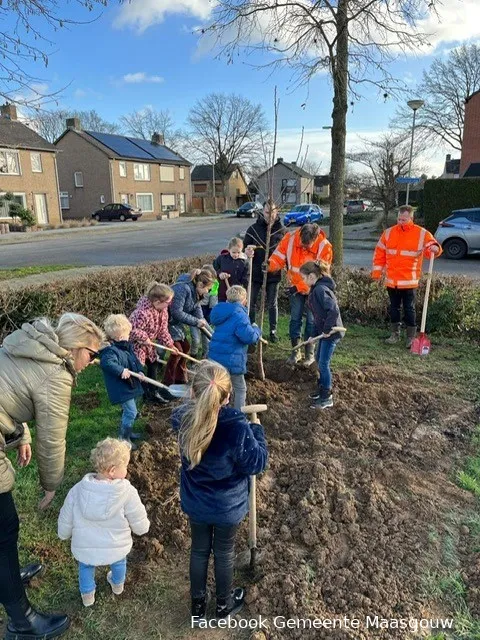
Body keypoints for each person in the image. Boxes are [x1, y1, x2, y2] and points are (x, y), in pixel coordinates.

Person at [0, 313, 104, 639]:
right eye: (92, 353)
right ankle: (22, 622)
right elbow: (53, 439)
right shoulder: (56, 374)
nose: (93, 361)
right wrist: (51, 485)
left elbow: (11, 387)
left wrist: (21, 437)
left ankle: (9, 574)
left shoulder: (30, 345)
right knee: (4, 528)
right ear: (74, 348)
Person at [171, 361, 268, 624]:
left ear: (192, 392)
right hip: (227, 508)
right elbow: (256, 463)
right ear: (227, 397)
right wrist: (257, 432)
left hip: (197, 503)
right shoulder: (237, 428)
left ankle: (198, 607)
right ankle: (223, 607)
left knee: (199, 550)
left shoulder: (181, 420)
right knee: (224, 553)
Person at [57, 438, 150, 607]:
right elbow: (137, 515)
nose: (128, 470)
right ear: (113, 470)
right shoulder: (126, 491)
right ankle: (117, 585)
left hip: (86, 545)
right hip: (116, 544)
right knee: (119, 561)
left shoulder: (77, 489)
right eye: (126, 466)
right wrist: (142, 528)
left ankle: (87, 595)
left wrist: (63, 533)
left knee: (85, 566)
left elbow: (66, 514)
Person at [372, 205, 442, 347]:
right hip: (392, 280)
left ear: (411, 218)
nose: (400, 222)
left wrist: (436, 248)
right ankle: (394, 334)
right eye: (399, 219)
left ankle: (410, 337)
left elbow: (432, 247)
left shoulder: (421, 233)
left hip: (409, 281)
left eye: (404, 219)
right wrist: (376, 273)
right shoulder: (388, 233)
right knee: (394, 308)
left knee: (409, 309)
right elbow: (379, 253)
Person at [269, 222, 333, 365]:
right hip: (295, 288)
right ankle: (295, 351)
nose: (304, 247)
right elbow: (278, 257)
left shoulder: (324, 247)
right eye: (303, 244)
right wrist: (269, 265)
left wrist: (297, 287)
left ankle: (309, 354)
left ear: (315, 238)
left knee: (312, 321)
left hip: (314, 290)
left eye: (307, 245)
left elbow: (317, 275)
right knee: (295, 319)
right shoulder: (290, 238)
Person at [300, 261, 344, 410]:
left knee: (323, 364)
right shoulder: (315, 289)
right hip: (325, 332)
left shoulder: (320, 290)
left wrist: (326, 330)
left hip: (332, 333)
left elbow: (333, 311)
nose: (303, 281)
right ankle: (321, 390)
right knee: (319, 360)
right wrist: (313, 334)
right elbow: (319, 316)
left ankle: (327, 397)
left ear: (312, 276)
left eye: (304, 278)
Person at [208, 285, 262, 410]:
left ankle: (213, 413)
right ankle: (238, 416)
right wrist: (256, 329)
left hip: (215, 358)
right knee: (240, 388)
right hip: (231, 360)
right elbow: (249, 337)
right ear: (243, 300)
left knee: (216, 387)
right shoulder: (239, 315)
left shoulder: (220, 311)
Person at [99, 315, 144, 448]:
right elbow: (106, 363)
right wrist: (121, 370)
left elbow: (134, 361)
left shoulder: (126, 347)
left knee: (129, 412)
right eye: (127, 334)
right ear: (119, 337)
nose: (129, 336)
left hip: (129, 386)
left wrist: (140, 371)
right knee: (131, 412)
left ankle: (128, 432)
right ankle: (124, 438)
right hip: (121, 389)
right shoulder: (111, 352)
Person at [243, 202, 285, 343]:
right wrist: (247, 251)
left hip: (273, 274)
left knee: (272, 303)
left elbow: (285, 252)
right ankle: (251, 328)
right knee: (252, 301)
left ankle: (273, 331)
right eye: (267, 212)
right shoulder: (253, 229)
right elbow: (244, 248)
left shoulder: (281, 230)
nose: (270, 215)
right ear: (263, 212)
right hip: (255, 273)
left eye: (272, 212)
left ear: (277, 211)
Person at [129, 282, 177, 404]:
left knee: (153, 364)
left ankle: (153, 393)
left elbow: (163, 330)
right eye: (168, 302)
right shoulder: (142, 313)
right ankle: (143, 394)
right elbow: (131, 330)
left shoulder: (163, 311)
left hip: (149, 345)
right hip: (136, 346)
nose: (169, 305)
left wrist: (170, 344)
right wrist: (144, 337)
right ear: (157, 302)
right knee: (138, 370)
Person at [165, 269, 215, 385]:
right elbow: (176, 312)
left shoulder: (196, 291)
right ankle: (168, 382)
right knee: (177, 352)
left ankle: (180, 378)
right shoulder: (183, 289)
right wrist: (196, 322)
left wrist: (201, 319)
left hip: (175, 322)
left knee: (186, 347)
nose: (207, 292)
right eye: (207, 289)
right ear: (201, 284)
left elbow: (196, 307)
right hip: (167, 321)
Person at [213, 237, 250, 303]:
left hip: (237, 294)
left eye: (238, 252)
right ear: (229, 249)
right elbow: (215, 268)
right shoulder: (222, 258)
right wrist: (220, 273)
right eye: (234, 252)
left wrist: (244, 292)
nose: (236, 255)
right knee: (223, 308)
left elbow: (246, 278)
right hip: (223, 291)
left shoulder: (244, 262)